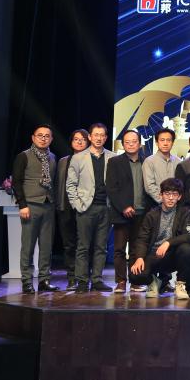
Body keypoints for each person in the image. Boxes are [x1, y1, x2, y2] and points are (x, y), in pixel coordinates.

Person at [66, 123, 116, 293]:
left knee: (101, 247)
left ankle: (97, 280)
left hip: (106, 208)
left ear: (106, 137)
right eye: (96, 135)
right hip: (86, 208)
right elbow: (70, 185)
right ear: (90, 137)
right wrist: (77, 205)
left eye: (102, 135)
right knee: (83, 246)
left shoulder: (113, 157)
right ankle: (81, 281)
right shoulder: (78, 158)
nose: (99, 138)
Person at [129, 177, 190, 300]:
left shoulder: (185, 212)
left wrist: (168, 243)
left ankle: (180, 285)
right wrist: (139, 258)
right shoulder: (151, 215)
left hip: (174, 255)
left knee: (187, 249)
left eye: (174, 194)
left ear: (179, 197)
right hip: (154, 255)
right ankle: (154, 282)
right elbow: (142, 239)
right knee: (135, 275)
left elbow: (189, 235)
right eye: (167, 194)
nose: (171, 198)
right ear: (161, 195)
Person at [11, 124, 57, 294]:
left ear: (51, 139)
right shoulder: (24, 156)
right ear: (33, 137)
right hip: (30, 205)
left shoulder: (52, 157)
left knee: (46, 246)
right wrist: (22, 204)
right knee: (28, 245)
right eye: (40, 135)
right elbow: (16, 182)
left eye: (47, 136)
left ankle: (44, 280)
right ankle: (27, 281)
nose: (43, 138)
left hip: (48, 205)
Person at [104, 129, 149, 293]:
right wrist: (123, 206)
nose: (130, 144)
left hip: (142, 212)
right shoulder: (115, 162)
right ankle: (121, 281)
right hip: (121, 212)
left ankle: (135, 281)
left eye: (134, 141)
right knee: (119, 249)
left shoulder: (146, 161)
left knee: (138, 249)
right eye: (127, 142)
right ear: (123, 144)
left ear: (140, 144)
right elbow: (111, 188)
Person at [55, 128, 89, 291]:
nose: (79, 142)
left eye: (83, 139)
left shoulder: (91, 159)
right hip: (65, 207)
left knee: (84, 244)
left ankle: (84, 277)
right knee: (69, 245)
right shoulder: (63, 161)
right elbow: (58, 183)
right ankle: (71, 277)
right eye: (76, 139)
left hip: (85, 207)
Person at [142, 128, 179, 204]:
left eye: (168, 140)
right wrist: (164, 200)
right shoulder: (149, 161)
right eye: (162, 140)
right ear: (156, 142)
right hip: (156, 204)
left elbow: (180, 184)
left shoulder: (178, 161)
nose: (165, 143)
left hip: (176, 204)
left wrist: (174, 199)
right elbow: (149, 186)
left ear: (172, 143)